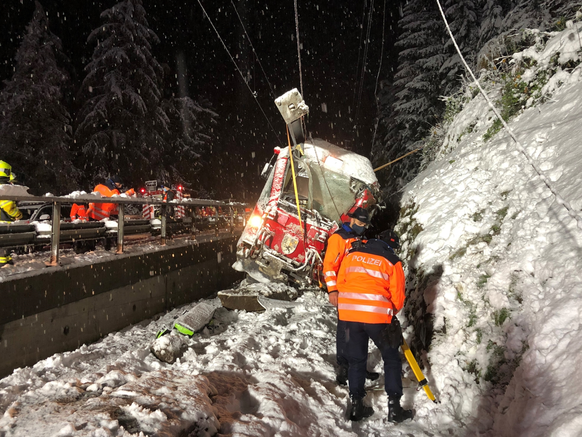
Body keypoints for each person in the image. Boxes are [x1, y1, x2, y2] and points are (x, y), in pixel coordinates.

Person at [336, 229, 413, 423]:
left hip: (349, 313)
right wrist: (390, 312)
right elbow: (398, 296)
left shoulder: (352, 254)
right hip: (377, 315)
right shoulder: (392, 260)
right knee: (391, 358)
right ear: (391, 246)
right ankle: (394, 408)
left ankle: (356, 406)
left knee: (356, 360)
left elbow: (341, 282)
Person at [323, 206, 378, 385]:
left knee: (360, 331)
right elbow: (329, 266)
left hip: (360, 291)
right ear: (352, 220)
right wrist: (332, 290)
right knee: (345, 331)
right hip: (344, 292)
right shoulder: (338, 238)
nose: (363, 227)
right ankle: (344, 367)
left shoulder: (359, 238)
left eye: (365, 224)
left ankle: (358, 367)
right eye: (360, 223)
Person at [0, 161, 22, 267]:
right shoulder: (3, 188)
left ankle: (6, 259)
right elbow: (8, 206)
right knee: (4, 242)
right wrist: (18, 215)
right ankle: (3, 262)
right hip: (3, 220)